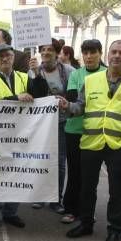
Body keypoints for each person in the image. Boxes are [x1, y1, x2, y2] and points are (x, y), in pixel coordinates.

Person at [60, 39, 121, 241]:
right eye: (114, 52)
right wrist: (67, 106)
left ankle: (114, 230)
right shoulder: (91, 81)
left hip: (119, 144)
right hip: (91, 142)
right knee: (86, 188)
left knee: (116, 191)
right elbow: (81, 107)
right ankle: (86, 223)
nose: (117, 56)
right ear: (107, 55)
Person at [0, 44, 49, 229]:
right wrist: (16, 98)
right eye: (0, 56)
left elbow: (41, 95)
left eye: (8, 55)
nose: (4, 59)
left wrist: (37, 72)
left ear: (13, 57)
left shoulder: (25, 76)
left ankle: (11, 212)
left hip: (21, 135)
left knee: (16, 175)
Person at [62, 39, 105, 225]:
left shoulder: (107, 73)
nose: (88, 56)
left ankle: (87, 211)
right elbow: (72, 100)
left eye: (92, 52)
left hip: (96, 132)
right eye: (85, 53)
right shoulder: (76, 74)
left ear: (100, 53)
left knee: (90, 176)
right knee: (74, 172)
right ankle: (71, 209)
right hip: (74, 130)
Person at [29, 38, 74, 214]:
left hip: (61, 122)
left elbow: (73, 96)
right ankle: (41, 196)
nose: (46, 52)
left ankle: (56, 198)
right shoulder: (33, 71)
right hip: (40, 124)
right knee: (40, 159)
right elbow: (33, 95)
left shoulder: (69, 71)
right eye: (43, 50)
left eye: (49, 49)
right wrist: (34, 73)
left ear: (57, 52)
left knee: (59, 162)